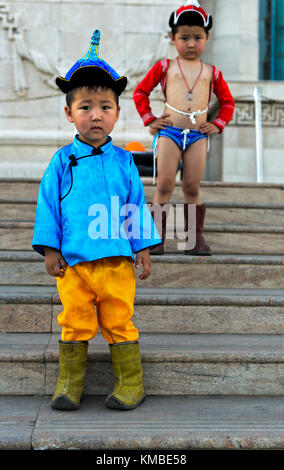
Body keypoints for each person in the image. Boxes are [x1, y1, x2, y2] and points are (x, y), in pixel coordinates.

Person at [32, 30, 161, 411]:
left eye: (105, 107)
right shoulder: (60, 162)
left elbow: (135, 205)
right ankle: (69, 385)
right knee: (74, 321)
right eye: (85, 107)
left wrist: (143, 249)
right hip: (74, 262)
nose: (96, 115)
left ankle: (130, 385)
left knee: (120, 321)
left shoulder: (124, 162)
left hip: (117, 262)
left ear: (118, 114)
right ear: (69, 113)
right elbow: (48, 206)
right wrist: (50, 248)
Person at [133, 0, 235, 255]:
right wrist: (150, 120)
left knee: (191, 186)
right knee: (165, 183)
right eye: (184, 38)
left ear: (207, 38)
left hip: (198, 135)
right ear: (172, 38)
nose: (191, 44)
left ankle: (194, 240)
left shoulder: (212, 73)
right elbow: (140, 93)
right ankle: (155, 238)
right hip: (169, 133)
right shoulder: (165, 67)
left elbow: (228, 103)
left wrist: (218, 124)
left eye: (197, 38)